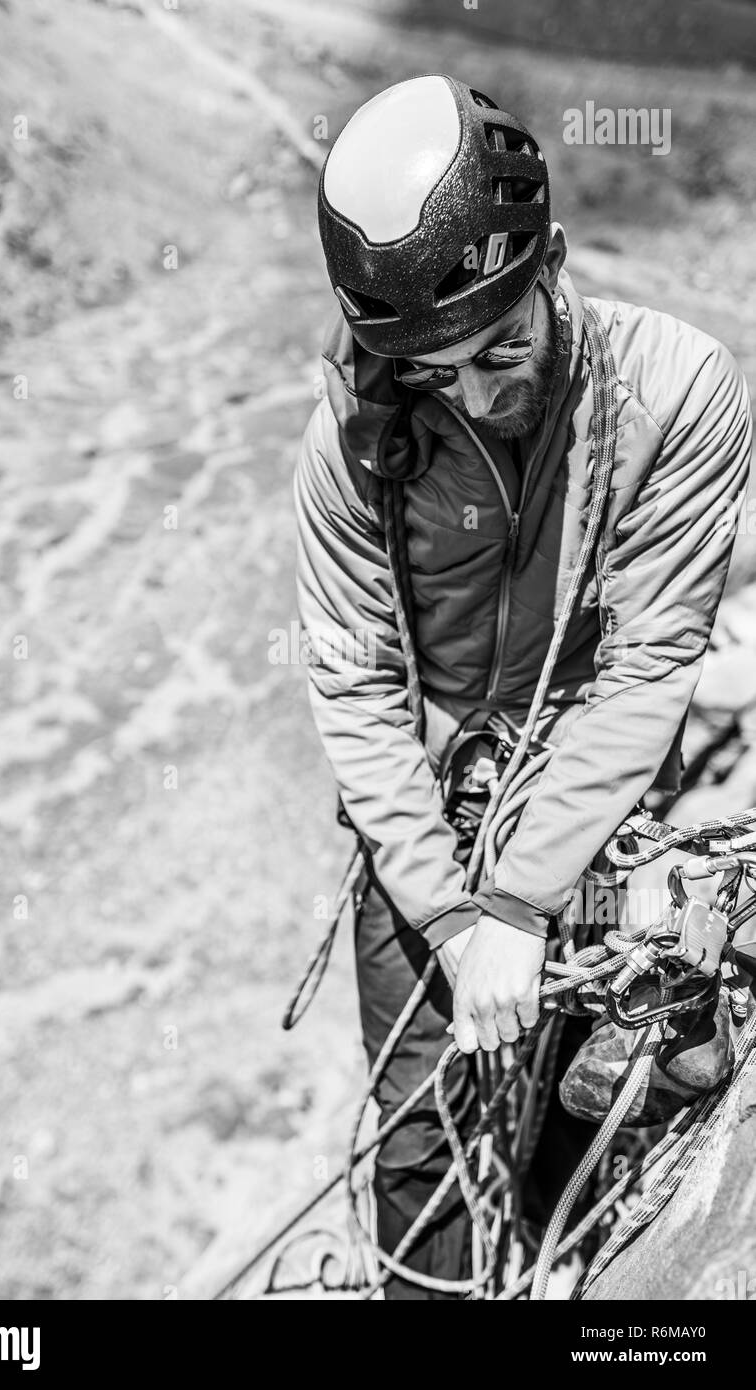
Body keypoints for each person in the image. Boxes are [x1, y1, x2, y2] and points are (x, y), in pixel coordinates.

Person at [294, 74, 752, 1297]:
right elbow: (355, 685)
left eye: (501, 349)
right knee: (418, 1126)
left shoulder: (678, 391)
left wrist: (521, 900)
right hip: (421, 816)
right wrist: (452, 911)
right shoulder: (354, 436)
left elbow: (652, 657)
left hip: (585, 793)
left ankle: (570, 1271)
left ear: (552, 262)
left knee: (579, 1085)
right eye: (440, 374)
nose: (480, 393)